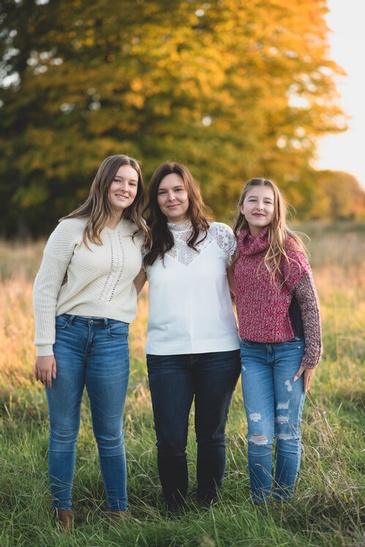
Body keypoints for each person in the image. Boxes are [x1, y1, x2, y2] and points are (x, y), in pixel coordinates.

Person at [33, 154, 148, 531]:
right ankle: (61, 509)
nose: (125, 188)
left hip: (113, 339)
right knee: (64, 429)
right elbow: (45, 288)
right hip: (66, 335)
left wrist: (118, 306)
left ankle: (119, 509)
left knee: (110, 431)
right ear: (103, 182)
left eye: (131, 183)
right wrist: (43, 347)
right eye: (118, 180)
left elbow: (139, 277)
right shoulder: (70, 228)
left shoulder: (139, 233)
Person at [134, 162, 241, 513]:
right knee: (169, 440)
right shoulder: (145, 239)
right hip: (166, 355)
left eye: (177, 189)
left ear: (190, 192)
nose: (171, 197)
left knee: (211, 435)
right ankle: (175, 509)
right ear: (155, 198)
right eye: (163, 192)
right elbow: (125, 293)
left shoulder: (222, 235)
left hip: (220, 352)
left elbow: (243, 287)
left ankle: (208, 506)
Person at [232, 177, 322, 504]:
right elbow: (231, 293)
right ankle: (260, 504)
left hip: (289, 351)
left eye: (267, 201)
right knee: (258, 434)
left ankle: (282, 504)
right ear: (242, 207)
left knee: (287, 430)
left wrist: (312, 356)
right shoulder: (235, 251)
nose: (260, 207)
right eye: (253, 200)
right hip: (252, 354)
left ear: (276, 208)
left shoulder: (287, 250)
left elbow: (310, 303)